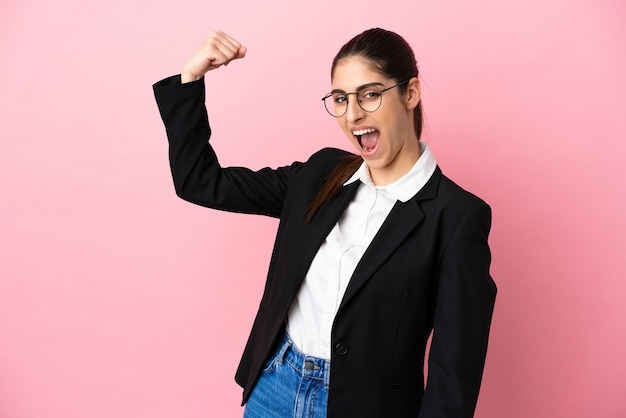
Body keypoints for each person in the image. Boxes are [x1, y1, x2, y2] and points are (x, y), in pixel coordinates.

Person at [153, 28, 496, 418]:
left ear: (411, 93)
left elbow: (454, 372)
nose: (353, 114)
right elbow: (201, 183)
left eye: (370, 94)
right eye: (340, 99)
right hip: (275, 389)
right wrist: (190, 79)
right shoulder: (321, 174)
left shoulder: (456, 217)